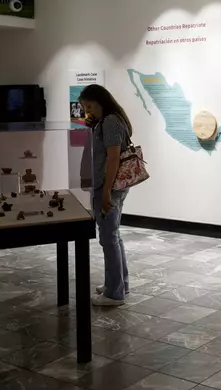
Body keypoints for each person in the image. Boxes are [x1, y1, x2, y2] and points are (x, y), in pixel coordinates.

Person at [79, 85, 133, 306]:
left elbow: (113, 159)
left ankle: (114, 293)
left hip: (107, 186)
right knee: (113, 236)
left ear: (101, 101)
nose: (87, 110)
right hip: (109, 186)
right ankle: (119, 283)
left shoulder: (110, 121)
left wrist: (106, 193)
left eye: (90, 105)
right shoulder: (108, 121)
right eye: (84, 107)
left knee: (108, 238)